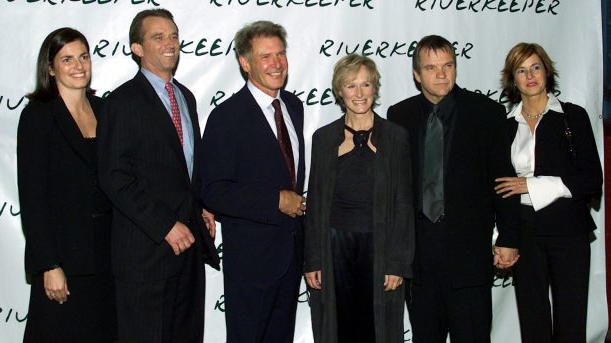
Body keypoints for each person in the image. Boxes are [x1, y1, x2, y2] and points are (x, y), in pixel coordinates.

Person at [386, 34, 520, 343]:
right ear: (417, 74)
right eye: (431, 68)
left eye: (448, 65)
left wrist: (509, 238)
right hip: (418, 260)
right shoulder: (399, 116)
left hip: (469, 257)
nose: (442, 74)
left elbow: (503, 181)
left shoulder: (486, 113)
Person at [97, 9, 219, 342]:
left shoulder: (186, 97)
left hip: (189, 253)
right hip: (146, 257)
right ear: (137, 48)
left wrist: (202, 207)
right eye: (158, 36)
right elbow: (113, 177)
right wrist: (164, 226)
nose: (170, 43)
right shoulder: (121, 102)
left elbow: (185, 170)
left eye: (174, 35)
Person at [199, 20, 305, 342]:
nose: (276, 63)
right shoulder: (227, 117)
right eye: (265, 56)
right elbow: (213, 191)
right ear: (245, 63)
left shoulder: (293, 106)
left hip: (291, 258)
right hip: (251, 266)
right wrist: (275, 201)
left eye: (280, 54)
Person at [495, 43, 602, 343]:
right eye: (521, 70)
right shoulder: (504, 127)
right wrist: (502, 237)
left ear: (547, 71)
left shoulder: (573, 117)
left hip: (569, 232)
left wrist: (533, 184)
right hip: (525, 232)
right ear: (512, 80)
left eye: (535, 67)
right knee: (533, 322)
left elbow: (592, 180)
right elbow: (500, 189)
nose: (530, 75)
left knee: (571, 321)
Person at [304, 54, 414, 342]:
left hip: (380, 247)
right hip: (334, 249)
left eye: (366, 85)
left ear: (375, 88)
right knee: (338, 328)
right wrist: (313, 258)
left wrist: (397, 263)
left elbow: (404, 204)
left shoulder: (395, 137)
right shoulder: (323, 139)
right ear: (339, 91)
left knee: (379, 329)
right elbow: (314, 204)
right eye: (351, 86)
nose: (360, 93)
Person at [17, 27, 117, 342]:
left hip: (107, 256)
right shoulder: (38, 116)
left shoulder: (104, 110)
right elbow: (33, 197)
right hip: (64, 260)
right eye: (67, 59)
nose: (78, 66)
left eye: (84, 57)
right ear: (50, 68)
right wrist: (49, 264)